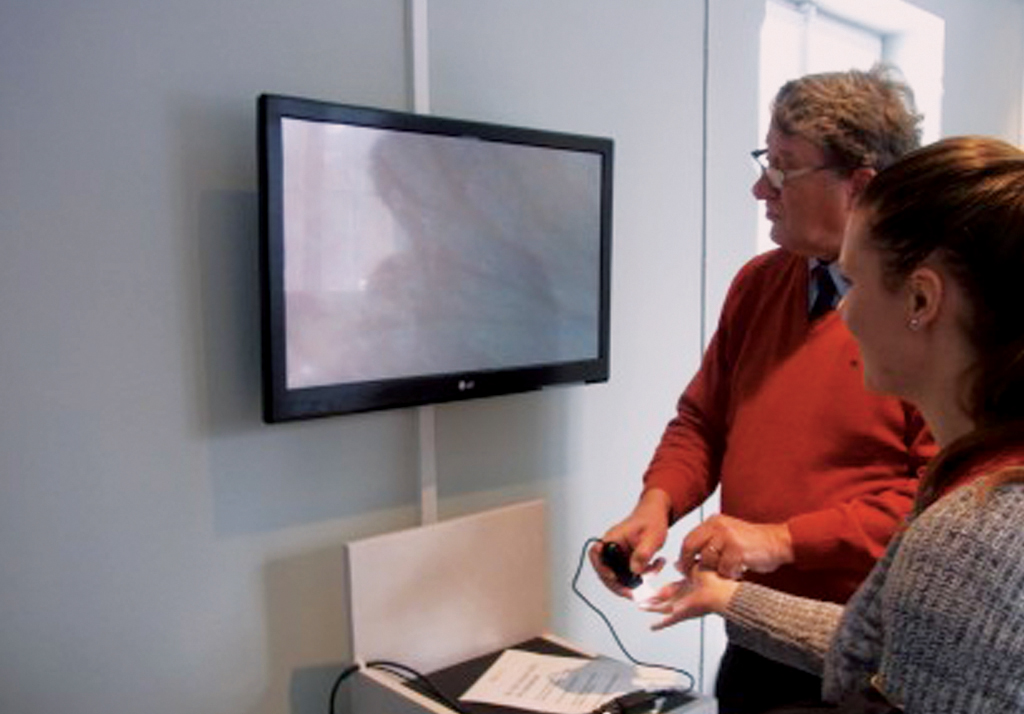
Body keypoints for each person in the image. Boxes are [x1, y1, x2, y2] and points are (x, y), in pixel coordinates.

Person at [590, 66, 936, 713]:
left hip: (857, 655)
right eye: (765, 163)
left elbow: (935, 504)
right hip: (749, 631)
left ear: (860, 184)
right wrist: (656, 506)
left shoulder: (922, 312)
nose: (760, 189)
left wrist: (782, 540)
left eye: (783, 169)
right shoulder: (760, 283)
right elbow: (702, 420)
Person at [642, 135, 1024, 713]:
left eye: (857, 283)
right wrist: (729, 598)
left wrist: (780, 544)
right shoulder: (982, 493)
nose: (842, 310)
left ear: (921, 301)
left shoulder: (969, 538)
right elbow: (891, 651)